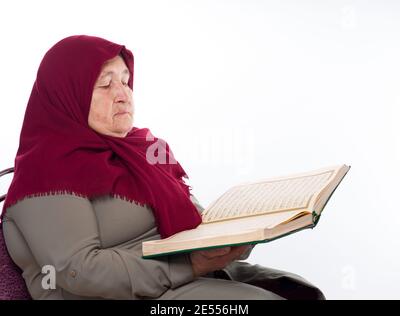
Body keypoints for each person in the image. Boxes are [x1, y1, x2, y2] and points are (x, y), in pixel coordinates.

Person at [1, 35, 325, 300]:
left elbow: (191, 217)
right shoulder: (46, 175)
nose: (123, 95)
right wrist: (188, 265)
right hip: (120, 295)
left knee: (302, 294)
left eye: (126, 81)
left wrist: (239, 235)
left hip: (180, 276)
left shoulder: (145, 150)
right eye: (105, 84)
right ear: (66, 95)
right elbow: (79, 271)